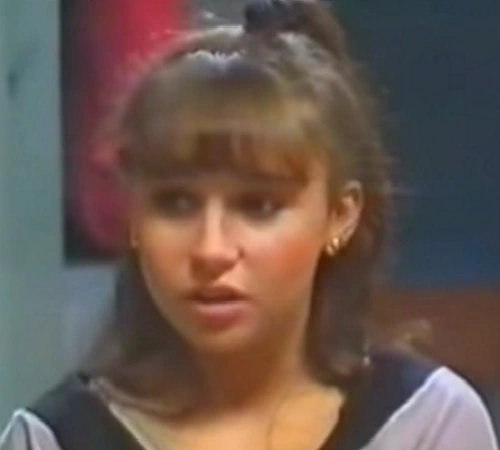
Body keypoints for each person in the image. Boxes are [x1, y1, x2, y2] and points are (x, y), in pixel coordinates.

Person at [1, 1, 497, 449]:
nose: (211, 250)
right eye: (176, 204)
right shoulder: (50, 439)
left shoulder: (428, 425)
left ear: (340, 215)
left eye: (258, 207)